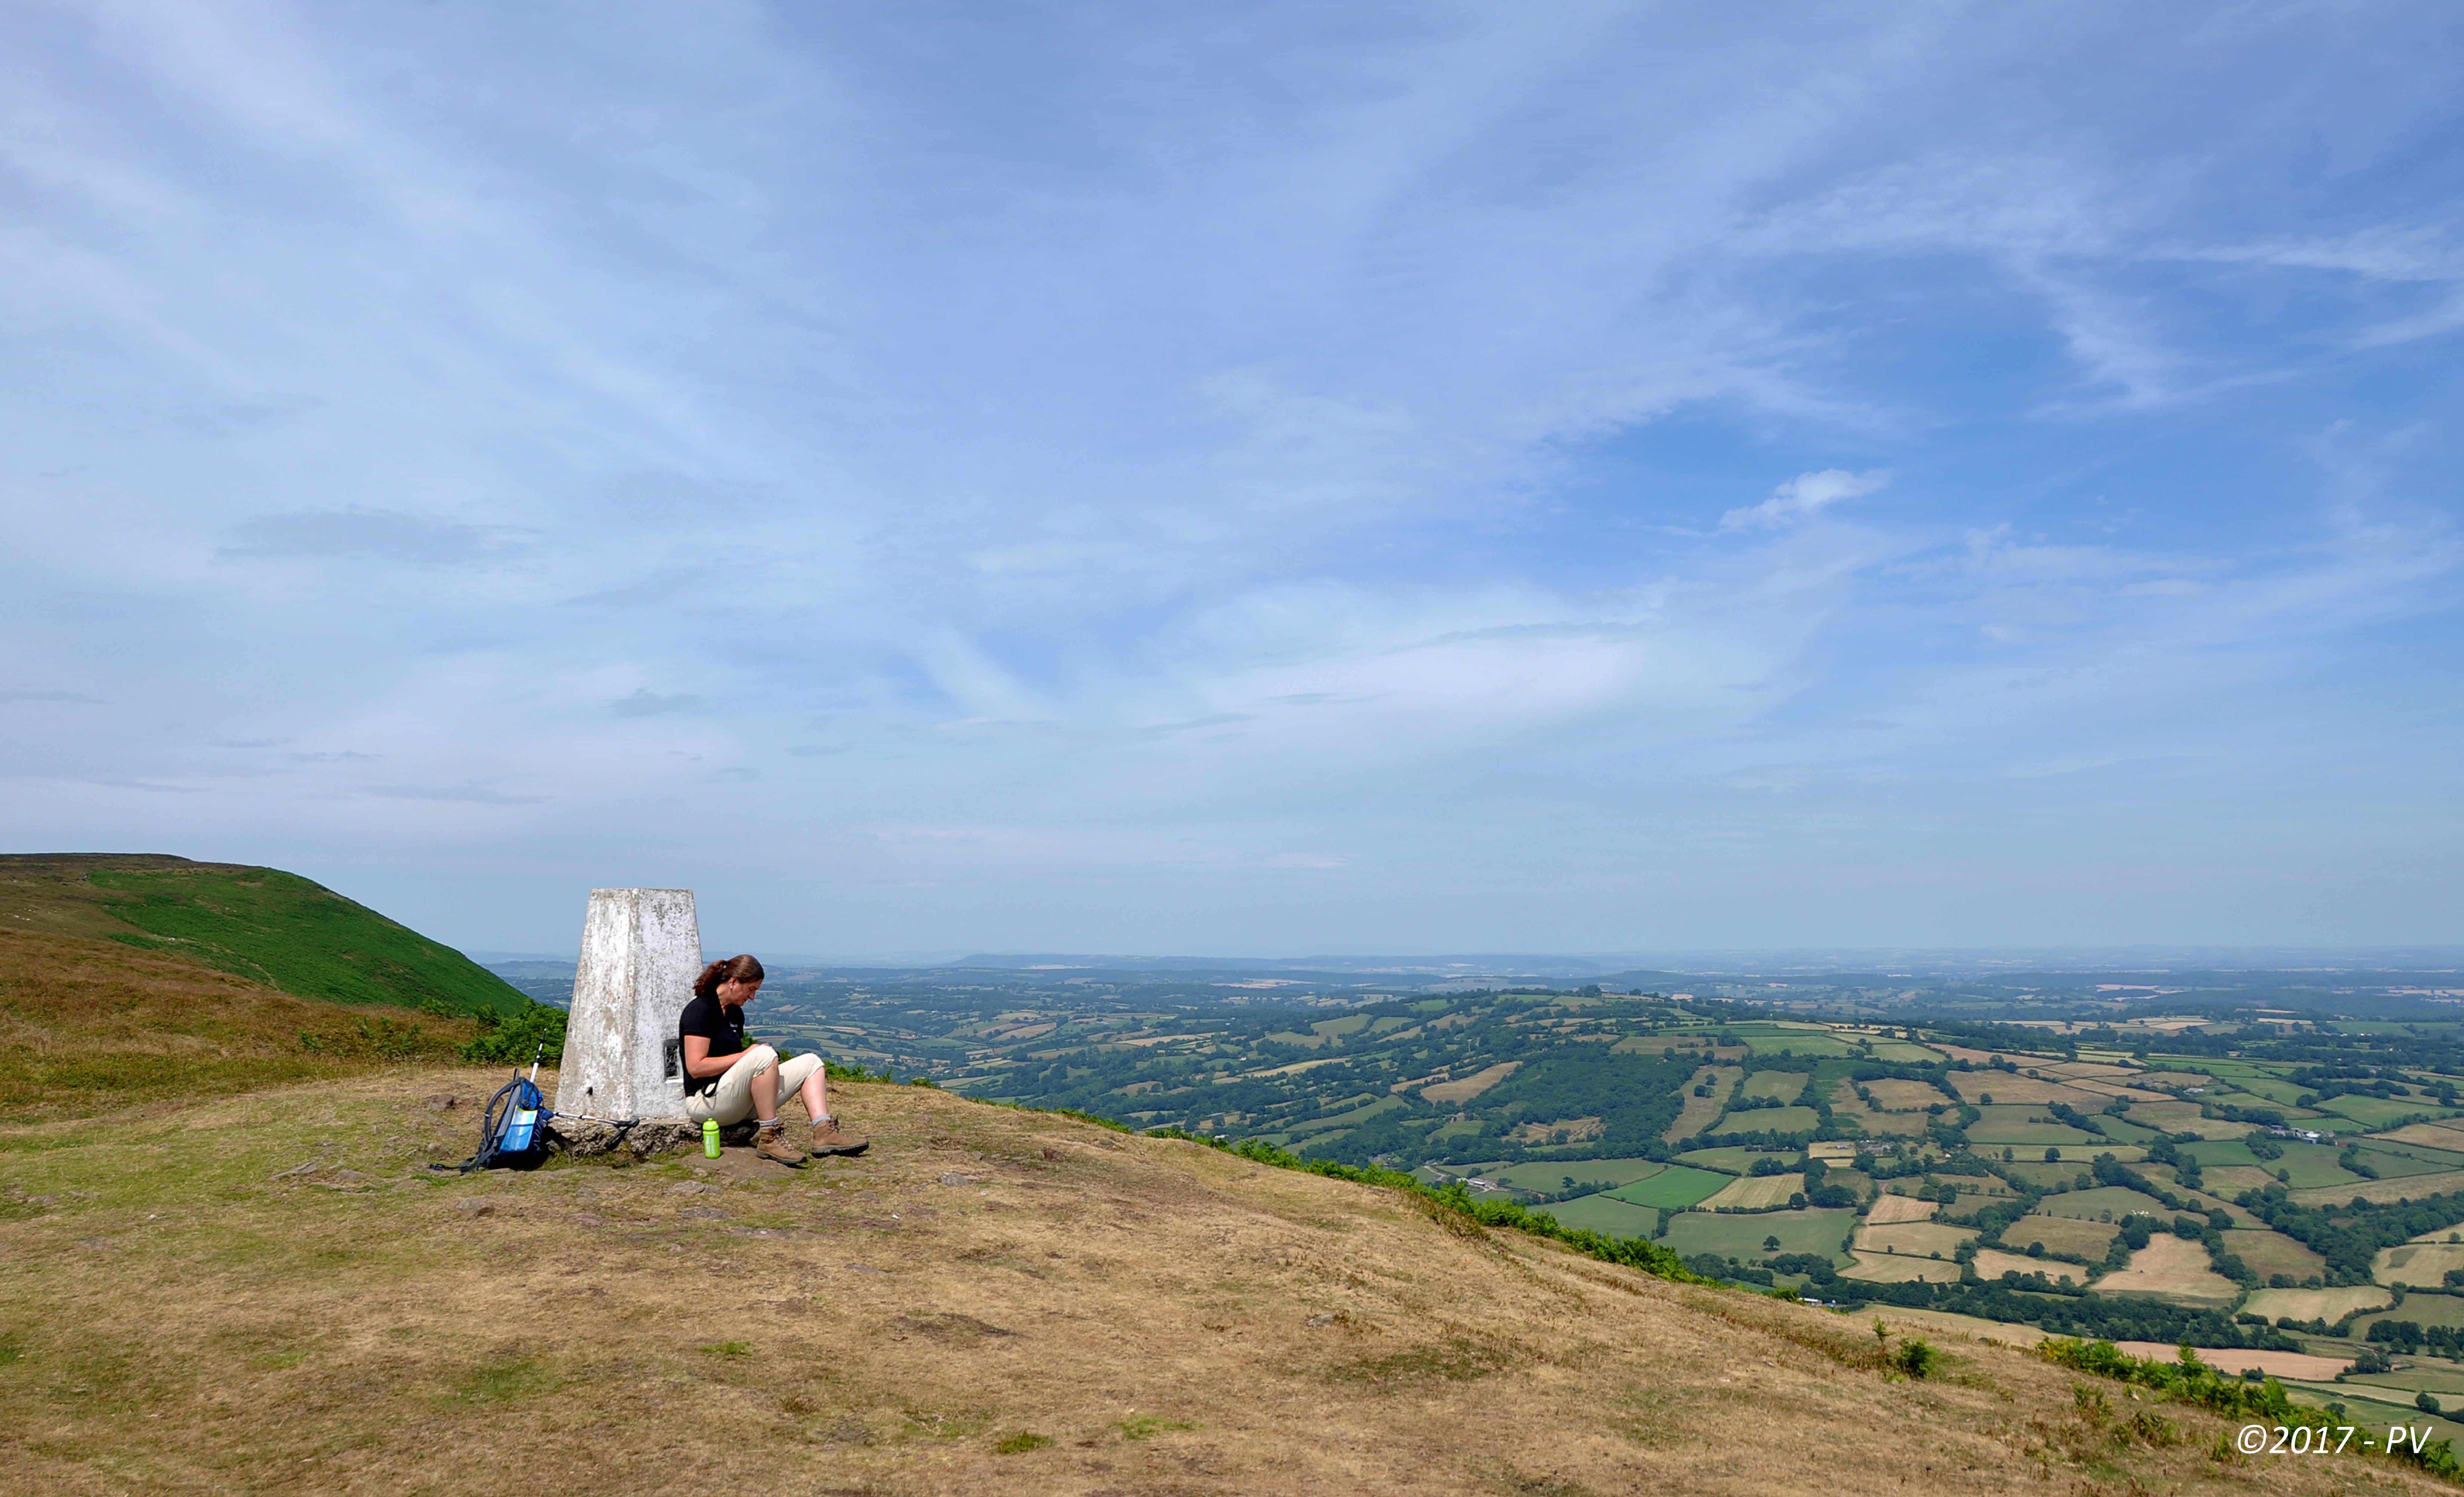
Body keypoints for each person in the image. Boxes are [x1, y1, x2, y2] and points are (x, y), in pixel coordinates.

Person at [678, 954, 867, 1166]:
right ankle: (769, 1136)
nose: (753, 998)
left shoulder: (735, 1014)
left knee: (812, 1063)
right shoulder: (700, 1010)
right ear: (733, 983)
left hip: (736, 1099)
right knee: (763, 1054)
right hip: (706, 1103)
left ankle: (824, 1132)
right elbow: (696, 1068)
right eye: (752, 989)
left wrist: (749, 1058)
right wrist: (746, 1056)